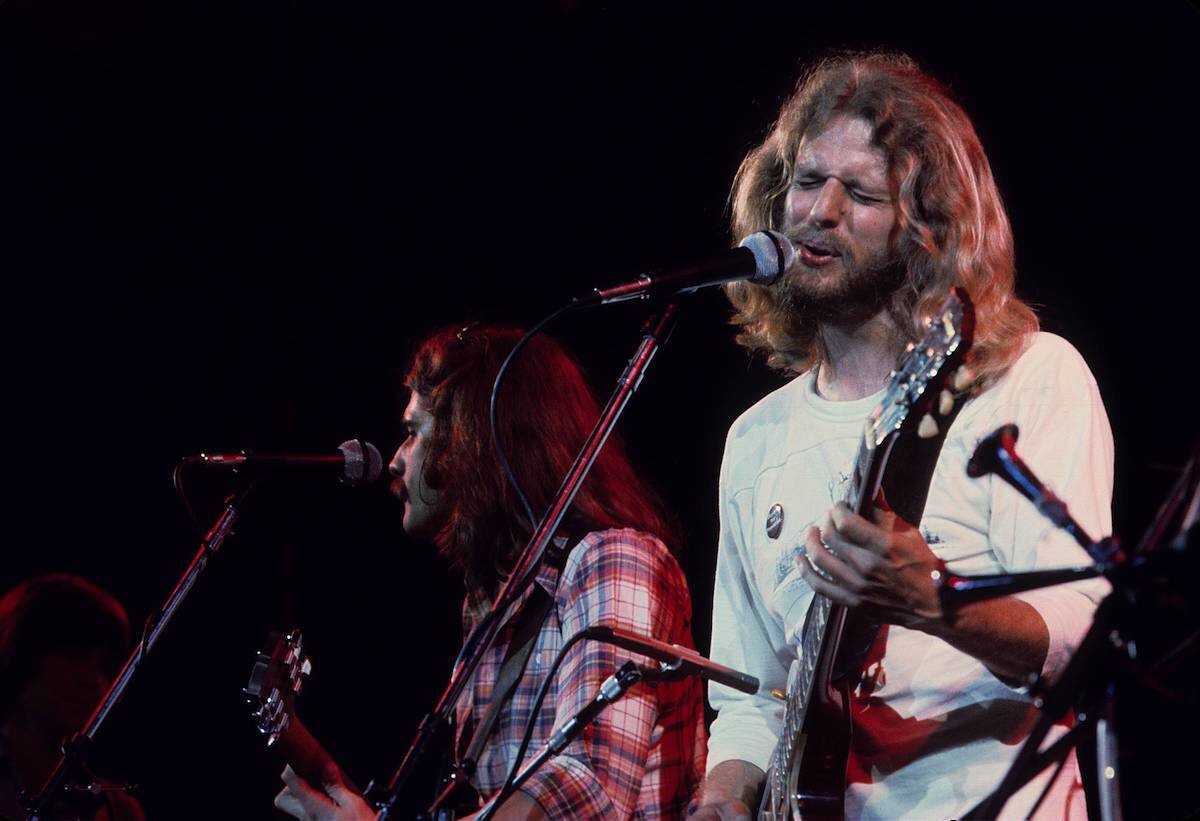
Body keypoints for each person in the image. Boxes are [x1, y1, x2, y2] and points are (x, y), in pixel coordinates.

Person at [692, 53, 1112, 820]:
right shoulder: (756, 440)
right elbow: (752, 693)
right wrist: (725, 792)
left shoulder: (1029, 379)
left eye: (859, 193)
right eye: (809, 181)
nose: (820, 211)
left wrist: (935, 602)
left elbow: (1082, 635)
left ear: (926, 227)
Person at [274, 324, 706, 820]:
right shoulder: (487, 607)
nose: (394, 461)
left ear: (470, 438)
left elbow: (588, 784)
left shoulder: (614, 561)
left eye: (414, 433)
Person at [0, 573, 145, 820]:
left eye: (104, 666)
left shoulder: (117, 810)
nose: (93, 679)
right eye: (75, 654)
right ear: (21, 653)